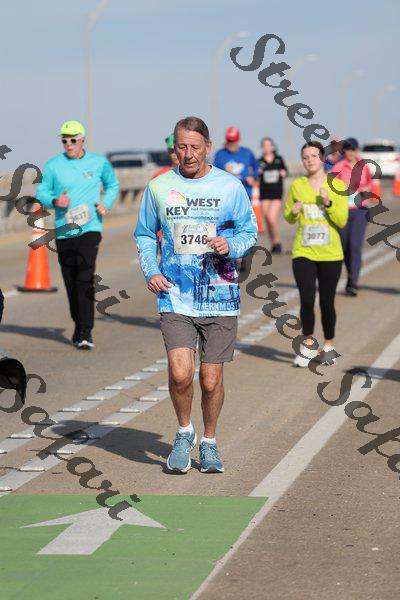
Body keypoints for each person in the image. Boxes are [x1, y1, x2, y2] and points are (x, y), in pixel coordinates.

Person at [135, 116, 257, 473]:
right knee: (179, 373)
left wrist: (230, 245)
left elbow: (249, 231)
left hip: (220, 294)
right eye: (181, 147)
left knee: (210, 379)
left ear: (208, 147)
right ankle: (184, 432)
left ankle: (209, 442)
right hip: (175, 295)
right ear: (174, 148)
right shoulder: (159, 187)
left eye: (194, 147)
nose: (188, 154)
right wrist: (151, 270)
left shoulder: (230, 186)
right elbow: (145, 234)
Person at [36, 120, 119, 349]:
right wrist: (55, 200)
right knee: (71, 280)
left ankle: (86, 331)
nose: (69, 144)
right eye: (65, 140)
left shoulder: (98, 163)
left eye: (73, 140)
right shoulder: (53, 166)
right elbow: (41, 192)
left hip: (90, 228)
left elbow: (112, 185)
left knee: (84, 276)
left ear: (82, 140)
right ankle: (78, 323)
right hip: (64, 231)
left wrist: (105, 204)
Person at [284, 141, 348, 368]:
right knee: (307, 299)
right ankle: (309, 345)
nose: (309, 160)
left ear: (322, 158)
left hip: (330, 253)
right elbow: (288, 216)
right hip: (304, 251)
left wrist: (328, 203)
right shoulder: (297, 185)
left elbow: (342, 220)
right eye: (305, 157)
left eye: (313, 156)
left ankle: (328, 345)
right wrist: (293, 213)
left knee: (327, 302)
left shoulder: (336, 185)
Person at [331, 137, 372, 296]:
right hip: (343, 211)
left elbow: (369, 184)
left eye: (353, 149)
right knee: (344, 247)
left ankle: (353, 281)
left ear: (357, 150)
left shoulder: (363, 165)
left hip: (360, 210)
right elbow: (331, 187)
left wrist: (363, 189)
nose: (350, 152)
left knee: (355, 245)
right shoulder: (339, 166)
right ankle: (350, 275)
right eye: (347, 149)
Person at [258, 137, 288, 253]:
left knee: (271, 218)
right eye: (264, 145)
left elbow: (285, 171)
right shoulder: (260, 161)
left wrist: (283, 173)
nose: (266, 147)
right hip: (264, 193)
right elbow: (254, 174)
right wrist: (257, 173)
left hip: (276, 192)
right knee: (267, 219)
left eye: (268, 145)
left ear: (272, 146)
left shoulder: (278, 159)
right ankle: (274, 244)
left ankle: (277, 242)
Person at [213, 127, 258, 199]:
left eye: (233, 141)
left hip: (244, 192)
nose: (231, 143)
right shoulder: (220, 154)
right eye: (229, 140)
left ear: (238, 140)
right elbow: (214, 171)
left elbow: (256, 166)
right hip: (226, 193)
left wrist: (253, 177)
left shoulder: (247, 153)